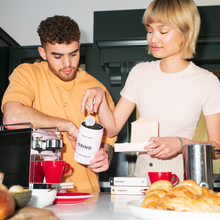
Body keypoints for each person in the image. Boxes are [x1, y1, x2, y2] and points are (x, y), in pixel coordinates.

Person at [81, 0, 220, 178]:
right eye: (149, 30)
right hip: (141, 176)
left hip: (181, 175)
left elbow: (216, 149)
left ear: (186, 32)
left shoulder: (207, 81)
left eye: (163, 31)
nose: (153, 39)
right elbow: (112, 128)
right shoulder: (140, 73)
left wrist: (181, 144)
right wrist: (99, 95)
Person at [1, 15, 117, 193]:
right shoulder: (27, 74)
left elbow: (109, 138)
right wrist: (68, 126)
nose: (68, 64)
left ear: (79, 46)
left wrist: (104, 155)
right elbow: (12, 117)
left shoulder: (97, 89)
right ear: (42, 53)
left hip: (87, 197)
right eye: (57, 56)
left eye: (73, 53)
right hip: (38, 196)